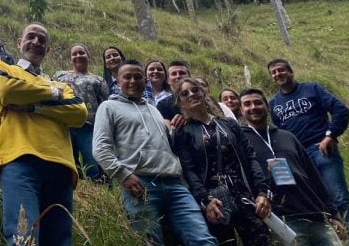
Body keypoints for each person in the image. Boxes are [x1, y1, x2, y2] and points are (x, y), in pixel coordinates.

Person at [92, 60, 217, 246]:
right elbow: (100, 147)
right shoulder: (108, 107)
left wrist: (179, 126)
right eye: (127, 77)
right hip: (140, 185)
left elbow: (168, 144)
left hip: (175, 185)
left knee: (202, 239)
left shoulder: (155, 110)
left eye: (137, 77)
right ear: (118, 82)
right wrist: (122, 174)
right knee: (149, 242)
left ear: (145, 81)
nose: (133, 81)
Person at [0, 23, 87, 246]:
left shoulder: (62, 84)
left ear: (48, 49)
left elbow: (79, 112)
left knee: (60, 240)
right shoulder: (2, 68)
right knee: (23, 239)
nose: (36, 42)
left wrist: (34, 107)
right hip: (19, 160)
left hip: (61, 166)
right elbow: (7, 91)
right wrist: (52, 94)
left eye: (42, 40)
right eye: (30, 37)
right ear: (19, 43)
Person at [267, 58, 349, 246]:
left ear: (291, 71)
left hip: (321, 150)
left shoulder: (311, 88)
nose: (278, 74)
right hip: (298, 160)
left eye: (281, 70)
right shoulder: (274, 103)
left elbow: (341, 109)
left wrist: (330, 136)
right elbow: (281, 133)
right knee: (318, 206)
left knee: (340, 200)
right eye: (274, 72)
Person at [172, 78, 272, 246]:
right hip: (216, 201)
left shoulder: (229, 124)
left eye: (195, 90)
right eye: (184, 93)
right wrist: (205, 200)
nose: (191, 94)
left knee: (260, 241)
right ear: (180, 102)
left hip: (245, 195)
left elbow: (250, 156)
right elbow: (189, 171)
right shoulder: (184, 132)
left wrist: (262, 191)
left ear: (203, 93)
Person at [240, 88, 344, 246]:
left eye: (258, 102)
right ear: (241, 110)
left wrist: (334, 214)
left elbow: (313, 175)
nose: (253, 107)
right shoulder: (240, 141)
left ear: (268, 107)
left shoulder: (288, 136)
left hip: (316, 214)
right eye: (247, 104)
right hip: (282, 219)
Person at [53, 44, 109, 181]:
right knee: (62, 166)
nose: (78, 56)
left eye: (81, 53)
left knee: (92, 166)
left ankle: (94, 195)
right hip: (63, 126)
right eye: (74, 54)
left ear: (88, 56)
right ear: (71, 58)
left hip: (88, 127)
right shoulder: (59, 76)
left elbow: (105, 104)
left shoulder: (98, 80)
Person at [156, 60, 191, 127]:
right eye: (174, 74)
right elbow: (168, 133)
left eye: (182, 73)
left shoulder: (202, 99)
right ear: (168, 80)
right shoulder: (163, 105)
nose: (178, 76)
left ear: (189, 77)